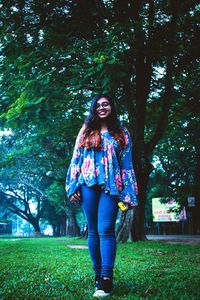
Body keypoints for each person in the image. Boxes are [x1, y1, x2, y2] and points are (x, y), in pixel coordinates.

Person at [66, 94, 138, 297]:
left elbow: (127, 164)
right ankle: (97, 276)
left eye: (105, 104)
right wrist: (73, 186)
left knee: (106, 228)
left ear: (112, 107)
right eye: (97, 105)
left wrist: (128, 192)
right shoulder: (86, 130)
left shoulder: (121, 133)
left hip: (112, 186)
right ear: (93, 109)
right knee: (93, 231)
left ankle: (107, 279)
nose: (101, 108)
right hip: (87, 184)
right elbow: (76, 159)